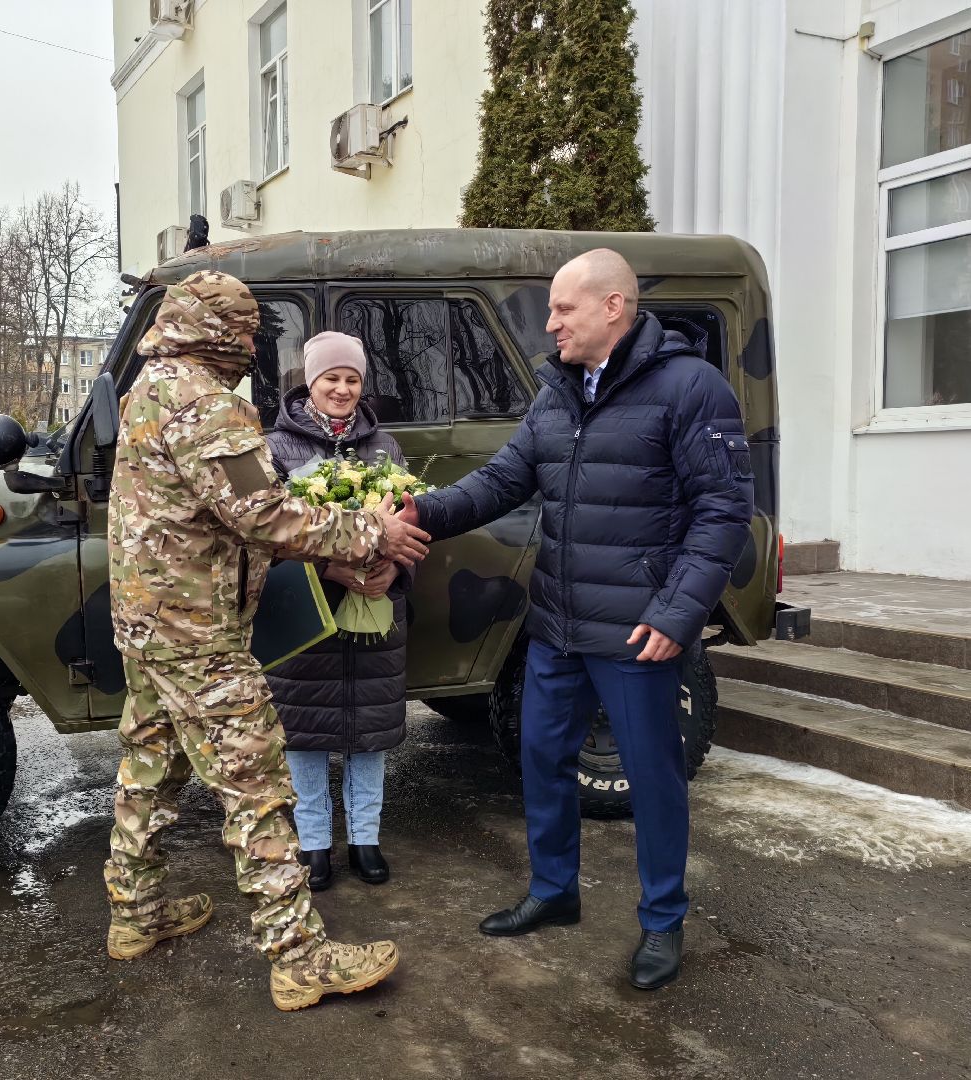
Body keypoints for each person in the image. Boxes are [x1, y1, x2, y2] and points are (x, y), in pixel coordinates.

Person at [400, 249, 753, 991]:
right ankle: (554, 891)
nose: (551, 323)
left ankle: (662, 921)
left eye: (564, 309)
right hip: (557, 625)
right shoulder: (557, 392)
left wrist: (679, 611)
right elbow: (501, 480)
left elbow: (723, 511)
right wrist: (421, 510)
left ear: (613, 308)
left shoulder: (691, 388)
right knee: (541, 758)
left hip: (635, 631)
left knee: (652, 779)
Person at [104, 270, 432, 1012]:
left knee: (150, 769)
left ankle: (135, 912)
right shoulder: (202, 402)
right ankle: (297, 956)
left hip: (149, 622)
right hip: (197, 632)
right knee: (256, 786)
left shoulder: (150, 389)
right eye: (248, 331)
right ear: (222, 333)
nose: (254, 345)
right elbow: (265, 516)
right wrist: (367, 529)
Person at [264, 332, 411, 889]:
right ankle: (315, 843)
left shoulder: (385, 448)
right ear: (311, 383)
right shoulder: (276, 448)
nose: (343, 389)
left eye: (352, 379)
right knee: (305, 732)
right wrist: (328, 568)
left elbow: (409, 520)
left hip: (375, 610)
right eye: (332, 378)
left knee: (369, 733)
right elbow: (263, 536)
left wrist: (395, 569)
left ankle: (366, 840)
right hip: (308, 616)